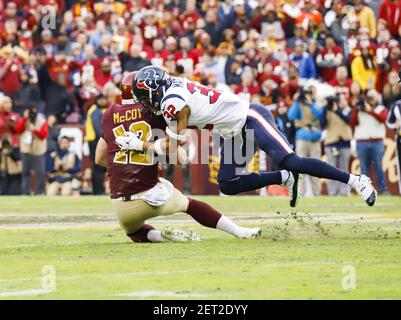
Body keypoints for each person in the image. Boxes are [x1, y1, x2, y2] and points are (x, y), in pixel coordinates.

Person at [126, 65, 377, 207]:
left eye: (145, 98)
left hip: (250, 118)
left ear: (154, 91)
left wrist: (141, 144)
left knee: (292, 160)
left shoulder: (172, 102)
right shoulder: (172, 89)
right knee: (228, 183)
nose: (145, 104)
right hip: (234, 131)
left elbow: (173, 142)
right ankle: (284, 178)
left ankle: (356, 180)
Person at [95, 72, 261, 243]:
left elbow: (99, 158)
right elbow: (180, 158)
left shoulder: (109, 114)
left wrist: (126, 168)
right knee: (190, 205)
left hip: (120, 205)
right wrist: (155, 155)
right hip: (149, 196)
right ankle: (238, 231)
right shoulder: (153, 113)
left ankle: (160, 237)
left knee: (134, 231)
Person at [350, 89, 388, 194]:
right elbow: (352, 122)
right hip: (362, 141)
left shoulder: (381, 108)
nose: (371, 99)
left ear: (377, 98)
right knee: (364, 167)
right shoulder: (359, 110)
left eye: (373, 97)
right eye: (369, 97)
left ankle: (383, 190)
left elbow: (383, 119)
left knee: (378, 166)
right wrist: (356, 109)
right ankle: (366, 191)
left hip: (377, 141)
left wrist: (370, 111)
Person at [288, 87, 324, 197]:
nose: (308, 95)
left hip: (314, 138)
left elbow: (319, 115)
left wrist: (310, 103)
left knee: (317, 167)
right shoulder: (299, 105)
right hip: (302, 137)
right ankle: (300, 192)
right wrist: (296, 101)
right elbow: (291, 116)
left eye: (311, 92)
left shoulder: (317, 104)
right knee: (299, 166)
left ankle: (317, 193)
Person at [319, 94, 353, 196]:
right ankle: (332, 192)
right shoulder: (328, 111)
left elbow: (349, 120)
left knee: (344, 169)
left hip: (344, 142)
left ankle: (344, 192)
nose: (341, 102)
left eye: (343, 100)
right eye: (339, 100)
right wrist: (325, 109)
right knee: (330, 169)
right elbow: (322, 124)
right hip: (331, 142)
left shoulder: (348, 110)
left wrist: (336, 110)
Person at [15, 107, 48, 195]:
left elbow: (44, 135)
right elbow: (18, 129)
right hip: (26, 150)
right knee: (25, 173)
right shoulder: (24, 120)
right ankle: (26, 192)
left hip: (38, 150)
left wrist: (35, 130)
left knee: (40, 173)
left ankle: (40, 192)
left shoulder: (42, 120)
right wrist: (25, 118)